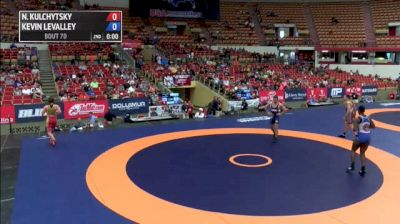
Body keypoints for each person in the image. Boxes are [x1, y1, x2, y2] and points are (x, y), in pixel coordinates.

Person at [347, 105, 375, 176]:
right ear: (364, 110)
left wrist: (355, 129)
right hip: (368, 137)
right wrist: (366, 127)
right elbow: (373, 126)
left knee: (353, 150)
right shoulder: (368, 118)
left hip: (361, 137)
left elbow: (354, 129)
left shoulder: (358, 118)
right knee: (362, 153)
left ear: (359, 111)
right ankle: (363, 169)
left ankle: (352, 166)